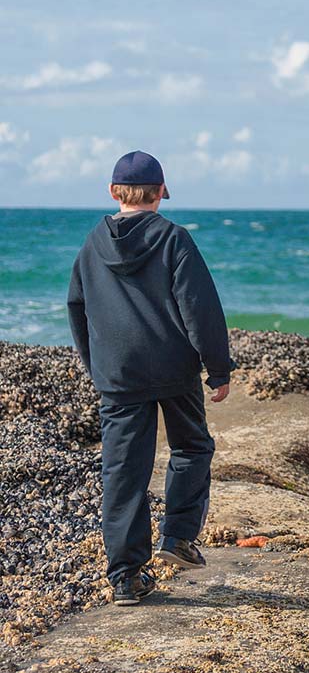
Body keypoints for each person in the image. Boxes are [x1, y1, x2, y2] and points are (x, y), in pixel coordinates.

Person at [66, 150, 233, 606]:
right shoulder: (173, 239)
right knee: (192, 446)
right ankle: (178, 536)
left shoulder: (91, 244)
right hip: (175, 370)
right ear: (161, 192)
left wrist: (96, 366)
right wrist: (218, 368)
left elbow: (77, 308)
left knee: (124, 472)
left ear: (113, 192)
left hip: (118, 375)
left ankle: (125, 577)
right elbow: (199, 308)